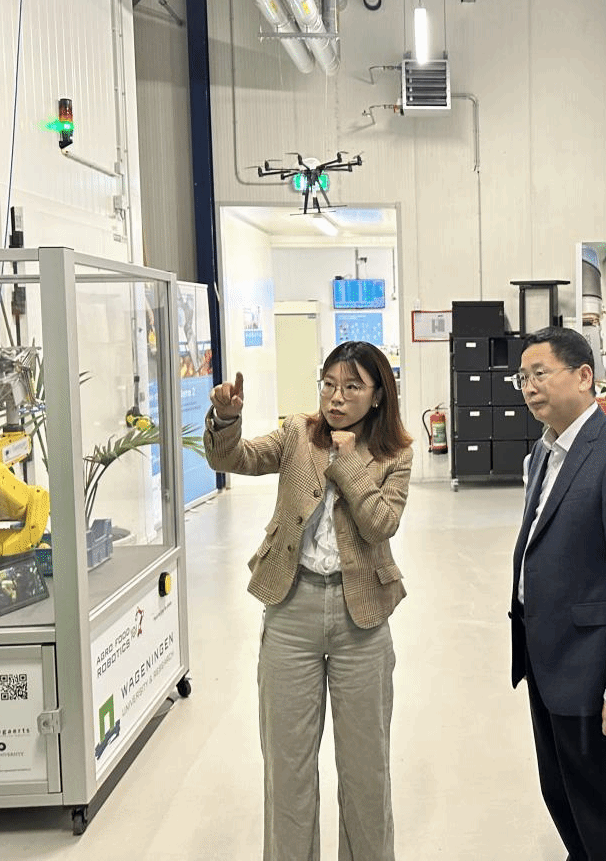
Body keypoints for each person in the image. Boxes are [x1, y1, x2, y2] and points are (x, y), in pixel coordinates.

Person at [205, 341, 413, 861]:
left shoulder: (396, 453)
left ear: (378, 395)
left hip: (361, 618)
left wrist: (348, 462)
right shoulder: (298, 432)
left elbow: (381, 524)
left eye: (351, 387)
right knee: (287, 768)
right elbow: (234, 457)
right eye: (329, 384)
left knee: (366, 771)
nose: (335, 397)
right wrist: (226, 420)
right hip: (291, 608)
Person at [509, 326, 606, 861]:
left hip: (596, 677)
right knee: (566, 801)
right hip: (550, 664)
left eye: (540, 373)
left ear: (583, 376)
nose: (529, 387)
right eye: (522, 377)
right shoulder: (545, 452)